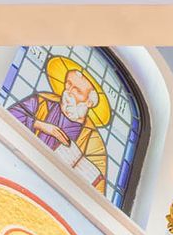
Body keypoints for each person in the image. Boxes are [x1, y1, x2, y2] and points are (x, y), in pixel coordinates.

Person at [7, 61, 111, 192]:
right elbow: (8, 115)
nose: (69, 91)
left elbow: (98, 190)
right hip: (15, 163)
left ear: (89, 102)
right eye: (69, 83)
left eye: (77, 90)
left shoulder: (94, 141)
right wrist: (39, 124)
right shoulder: (42, 102)